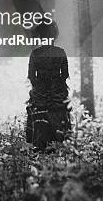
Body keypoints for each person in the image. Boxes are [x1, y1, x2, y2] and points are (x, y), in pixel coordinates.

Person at [25, 20, 71, 150]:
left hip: (40, 91)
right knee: (60, 116)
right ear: (54, 35)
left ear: (40, 36)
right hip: (58, 91)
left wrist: (39, 87)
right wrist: (57, 84)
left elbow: (31, 76)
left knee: (38, 115)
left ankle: (39, 144)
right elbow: (65, 75)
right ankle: (60, 143)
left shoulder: (35, 53)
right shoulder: (61, 52)